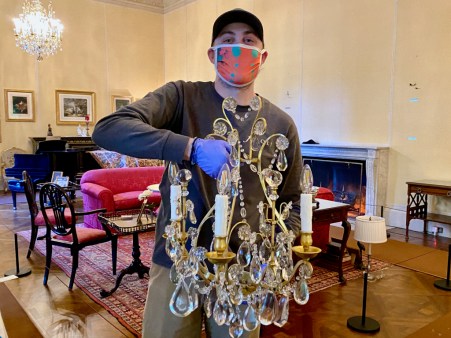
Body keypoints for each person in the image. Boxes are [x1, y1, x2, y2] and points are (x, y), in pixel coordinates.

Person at [92, 8, 302, 338]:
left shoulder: (281, 124)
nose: (238, 47)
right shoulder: (182, 97)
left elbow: (291, 201)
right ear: (212, 53)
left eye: (248, 41)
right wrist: (190, 147)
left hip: (243, 269)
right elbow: (108, 129)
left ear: (262, 57)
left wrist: (276, 260)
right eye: (228, 40)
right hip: (178, 262)